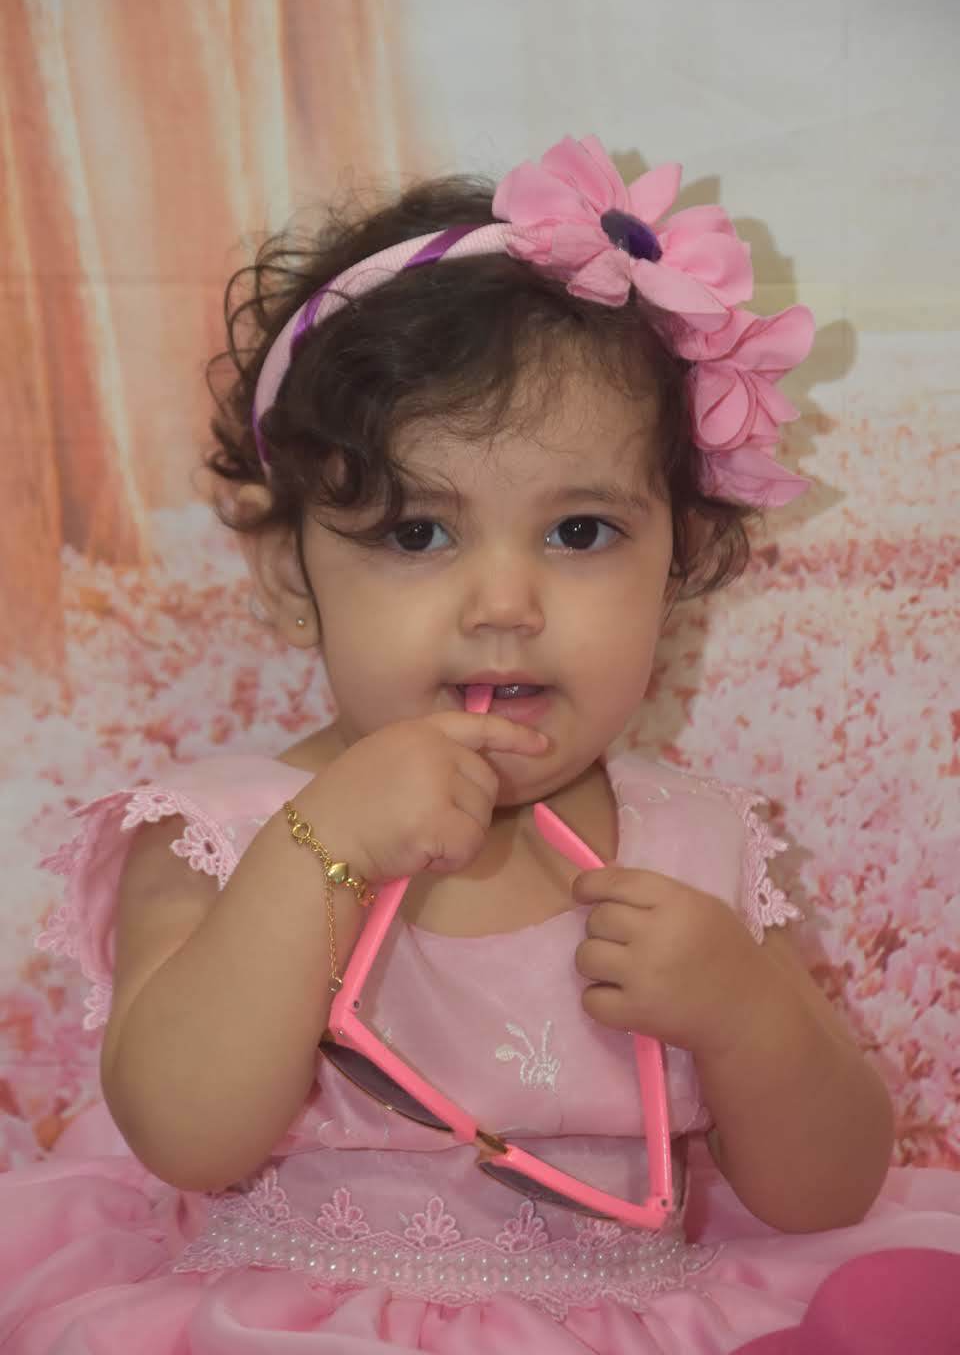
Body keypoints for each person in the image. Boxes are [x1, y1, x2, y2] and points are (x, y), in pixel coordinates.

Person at [3, 135, 958, 1354]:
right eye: (417, 534)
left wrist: (745, 1012)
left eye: (579, 532)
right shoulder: (220, 835)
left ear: (681, 560)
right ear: (291, 570)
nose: (504, 604)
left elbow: (827, 1191)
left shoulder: (692, 844)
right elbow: (186, 1134)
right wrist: (320, 849)